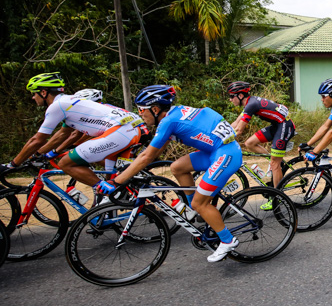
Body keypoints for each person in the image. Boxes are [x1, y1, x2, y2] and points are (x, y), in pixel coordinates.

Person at [97, 85, 244, 263]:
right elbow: (153, 152)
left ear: (155, 109)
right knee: (177, 167)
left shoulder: (168, 122)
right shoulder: (172, 115)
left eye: (141, 110)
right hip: (215, 150)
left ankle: (227, 240)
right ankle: (193, 208)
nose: (140, 114)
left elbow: (147, 156)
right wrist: (131, 168)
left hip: (226, 153)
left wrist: (116, 181)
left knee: (201, 203)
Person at [0, 73, 144, 194]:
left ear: (43, 92)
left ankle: (108, 191)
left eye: (34, 94)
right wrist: (38, 155)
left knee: (66, 163)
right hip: (129, 128)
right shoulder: (68, 101)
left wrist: (12, 164)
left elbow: (37, 140)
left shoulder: (57, 106)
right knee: (112, 175)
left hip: (121, 131)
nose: (33, 98)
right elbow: (62, 135)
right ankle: (115, 208)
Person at [227, 81, 296, 190]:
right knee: (250, 143)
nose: (230, 99)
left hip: (285, 126)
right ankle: (274, 162)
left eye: (231, 96)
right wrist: (223, 133)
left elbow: (239, 130)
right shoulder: (249, 103)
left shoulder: (251, 105)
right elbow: (236, 123)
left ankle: (277, 198)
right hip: (278, 125)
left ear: (240, 96)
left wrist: (223, 141)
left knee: (275, 164)